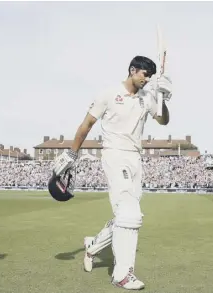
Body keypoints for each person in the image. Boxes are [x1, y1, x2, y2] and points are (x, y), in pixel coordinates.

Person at [52, 55, 172, 290]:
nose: (147, 80)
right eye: (144, 74)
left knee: (125, 217)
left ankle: (93, 247)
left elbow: (164, 121)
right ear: (132, 70)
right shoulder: (108, 94)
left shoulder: (148, 98)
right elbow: (86, 125)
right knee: (130, 214)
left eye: (150, 76)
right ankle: (122, 275)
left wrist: (164, 99)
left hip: (136, 158)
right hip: (114, 154)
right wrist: (72, 154)